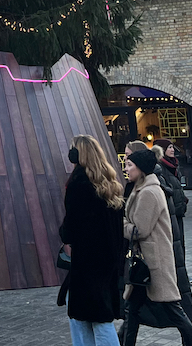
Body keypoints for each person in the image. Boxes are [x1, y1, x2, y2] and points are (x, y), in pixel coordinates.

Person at [120, 147, 192, 346]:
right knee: (132, 309)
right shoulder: (141, 188)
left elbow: (140, 229)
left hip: (153, 261)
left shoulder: (149, 192)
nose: (126, 169)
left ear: (141, 168)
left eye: (130, 165)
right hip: (144, 262)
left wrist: (120, 224)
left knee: (173, 309)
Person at [57, 135, 125, 346]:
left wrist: (65, 236)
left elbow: (72, 223)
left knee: (88, 317)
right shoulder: (110, 184)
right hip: (109, 259)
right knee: (98, 314)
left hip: (87, 260)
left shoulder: (78, 184)